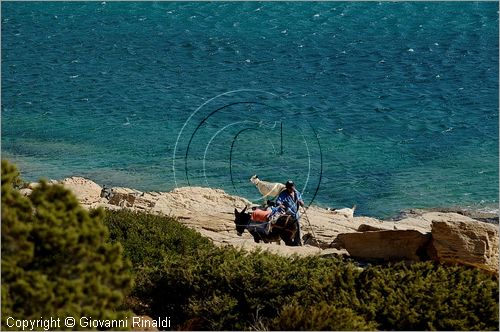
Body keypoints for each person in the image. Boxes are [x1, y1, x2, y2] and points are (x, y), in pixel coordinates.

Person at [276, 180, 304, 246]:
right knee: (288, 228)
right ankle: (288, 241)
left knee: (297, 227)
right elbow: (278, 201)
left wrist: (300, 202)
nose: (292, 188)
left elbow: (302, 204)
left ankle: (297, 241)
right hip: (288, 214)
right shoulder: (283, 193)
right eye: (290, 187)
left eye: (292, 187)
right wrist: (281, 205)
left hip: (296, 214)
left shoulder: (297, 193)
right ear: (287, 187)